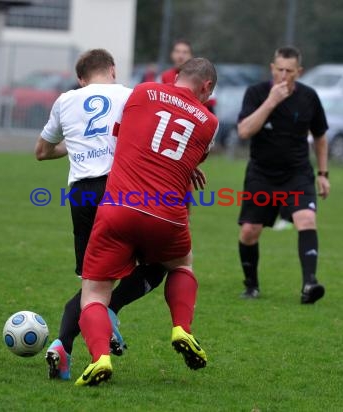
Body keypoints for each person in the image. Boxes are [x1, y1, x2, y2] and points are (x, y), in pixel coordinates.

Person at [74, 57, 219, 387]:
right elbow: (188, 155)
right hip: (167, 214)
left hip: (118, 209)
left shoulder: (141, 92)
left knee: (94, 294)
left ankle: (100, 358)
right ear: (207, 87)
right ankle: (181, 326)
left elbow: (119, 137)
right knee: (181, 265)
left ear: (178, 76)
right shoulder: (209, 122)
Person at [34, 49, 167, 381]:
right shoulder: (130, 95)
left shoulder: (65, 100)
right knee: (160, 262)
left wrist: (76, 145)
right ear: (112, 70)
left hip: (81, 194)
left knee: (94, 284)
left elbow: (41, 151)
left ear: (80, 78)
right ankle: (111, 311)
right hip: (122, 189)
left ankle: (63, 345)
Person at [236, 46, 330, 303]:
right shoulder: (256, 93)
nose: (284, 75)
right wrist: (272, 101)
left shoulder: (309, 97)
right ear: (272, 69)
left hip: (297, 174)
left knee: (307, 219)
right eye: (280, 70)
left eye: (290, 71)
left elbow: (321, 136)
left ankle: (309, 285)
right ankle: (251, 285)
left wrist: (323, 173)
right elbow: (244, 131)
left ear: (299, 72)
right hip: (261, 174)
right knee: (249, 232)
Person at [160, 40, 215, 113]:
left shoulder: (203, 76)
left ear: (191, 56)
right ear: (172, 54)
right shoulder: (165, 76)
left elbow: (211, 102)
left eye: (185, 52)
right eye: (177, 51)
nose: (180, 56)